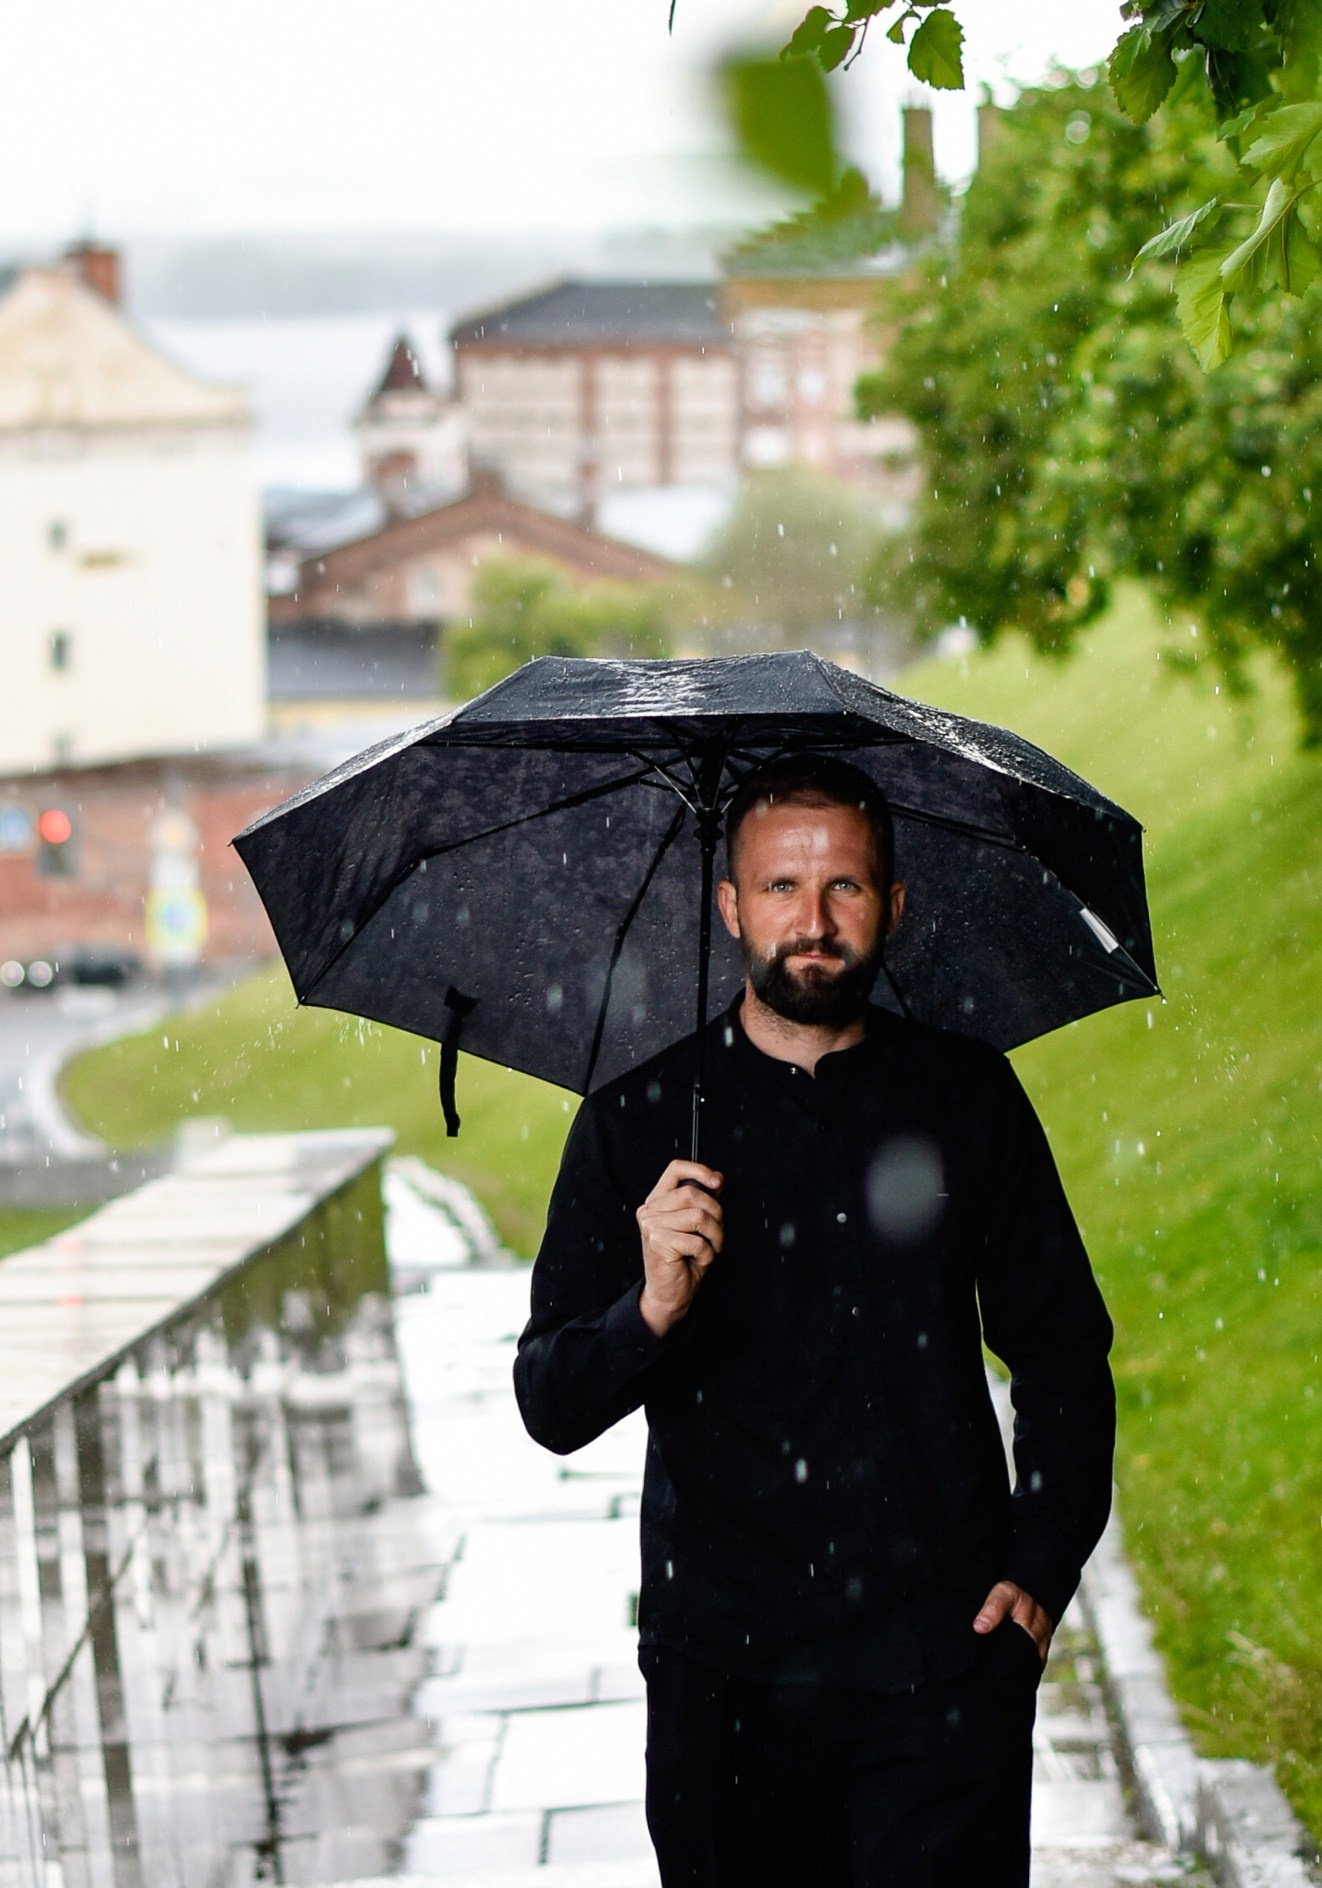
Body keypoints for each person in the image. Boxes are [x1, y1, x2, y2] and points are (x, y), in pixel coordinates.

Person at [514, 754, 1115, 1888]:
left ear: (892, 905)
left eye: (843, 886)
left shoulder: (965, 1095)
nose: (813, 920)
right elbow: (548, 1400)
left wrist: (1041, 1569)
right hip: (721, 1679)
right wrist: (651, 1308)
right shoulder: (636, 1119)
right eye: (781, 888)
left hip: (938, 1666)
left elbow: (1062, 1351)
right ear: (729, 905)